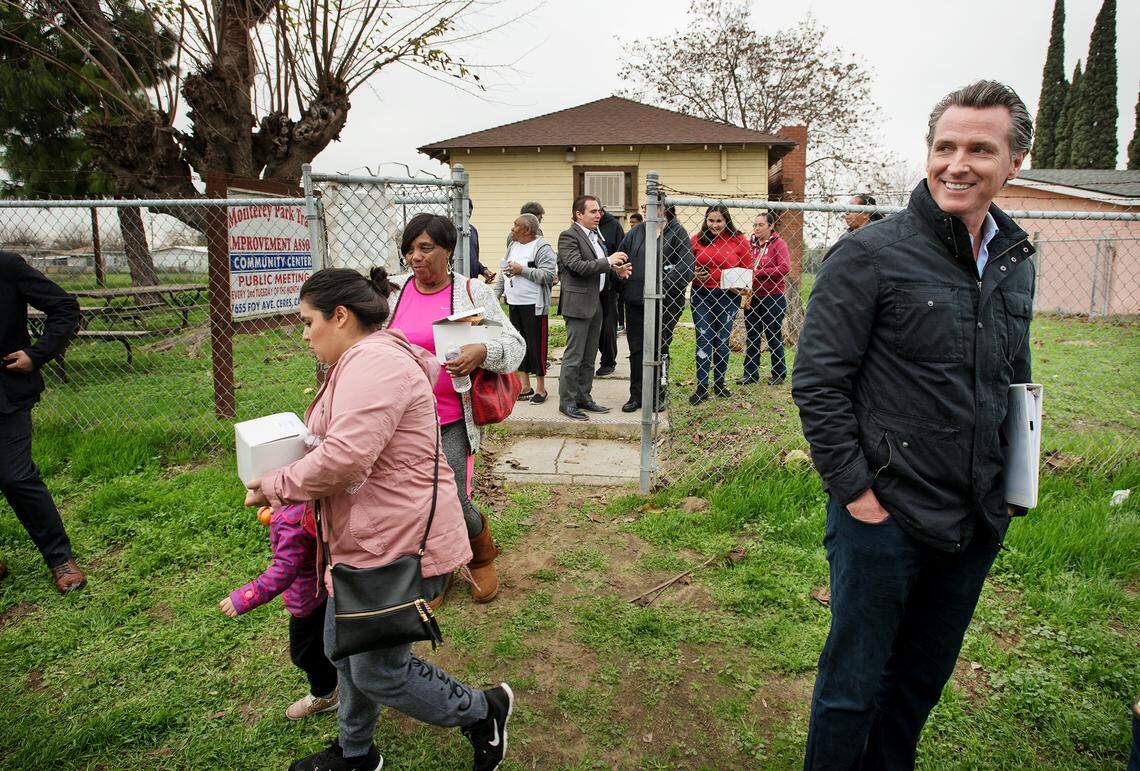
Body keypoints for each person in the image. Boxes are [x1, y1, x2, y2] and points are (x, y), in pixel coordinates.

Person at [792, 80, 1037, 770]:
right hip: (885, 519)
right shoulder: (871, 255)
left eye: (980, 149)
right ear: (928, 154)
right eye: (945, 146)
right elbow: (817, 382)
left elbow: (1013, 376)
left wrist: (1015, 477)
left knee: (919, 684)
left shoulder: (1015, 262)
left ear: (1013, 161)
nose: (958, 163)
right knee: (853, 687)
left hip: (975, 518)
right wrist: (858, 494)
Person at [246, 267, 514, 771]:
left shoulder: (375, 365)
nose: (304, 334)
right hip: (369, 535)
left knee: (376, 670)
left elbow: (347, 458)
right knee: (342, 648)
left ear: (341, 316)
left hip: (396, 540)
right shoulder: (363, 360)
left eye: (307, 322)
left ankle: (484, 712)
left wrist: (276, 485)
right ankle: (356, 753)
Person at [386, 213, 524, 605]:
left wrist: (483, 350)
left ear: (448, 250)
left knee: (451, 500)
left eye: (425, 248)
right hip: (400, 421)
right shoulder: (393, 293)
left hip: (450, 418)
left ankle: (481, 551)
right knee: (412, 500)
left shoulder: (472, 293)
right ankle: (436, 570)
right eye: (410, 250)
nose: (416, 257)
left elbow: (515, 347)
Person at [1, 252, 85, 593]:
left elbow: (65, 308)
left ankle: (59, 558)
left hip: (5, 395)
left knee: (15, 475)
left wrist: (36, 355)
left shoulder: (6, 267)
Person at [219, 503, 339, 721]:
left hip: (308, 600)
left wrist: (245, 597)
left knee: (305, 655)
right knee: (327, 638)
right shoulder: (304, 501)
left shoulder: (291, 523)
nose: (246, 499)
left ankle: (327, 693)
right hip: (327, 588)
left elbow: (283, 570)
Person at [556, 195, 631, 421]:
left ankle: (583, 397)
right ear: (579, 214)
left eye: (599, 211)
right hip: (578, 304)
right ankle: (567, 402)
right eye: (593, 211)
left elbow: (596, 267)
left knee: (589, 357)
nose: (599, 215)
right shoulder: (569, 236)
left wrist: (615, 271)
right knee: (574, 356)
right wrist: (608, 261)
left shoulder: (595, 236)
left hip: (596, 302)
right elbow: (577, 266)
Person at [615, 205, 693, 412]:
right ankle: (637, 395)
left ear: (665, 208)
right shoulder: (636, 231)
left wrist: (659, 289)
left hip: (665, 303)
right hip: (635, 301)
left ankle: (658, 394)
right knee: (637, 348)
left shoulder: (677, 232)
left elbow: (685, 267)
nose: (648, 209)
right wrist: (620, 272)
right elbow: (621, 258)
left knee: (660, 347)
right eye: (645, 206)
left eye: (653, 206)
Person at [689, 205, 749, 405]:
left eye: (719, 221)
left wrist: (739, 286)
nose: (715, 225)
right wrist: (694, 273)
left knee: (722, 340)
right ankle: (702, 387)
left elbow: (748, 269)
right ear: (706, 220)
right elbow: (687, 266)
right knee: (704, 338)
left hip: (728, 296)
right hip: (701, 294)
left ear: (727, 221)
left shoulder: (738, 240)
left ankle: (720, 384)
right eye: (711, 220)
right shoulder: (697, 239)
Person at [494, 213, 556, 404]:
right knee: (520, 345)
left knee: (536, 346)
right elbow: (503, 273)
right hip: (514, 303)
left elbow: (548, 275)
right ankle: (525, 386)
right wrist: (495, 295)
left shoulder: (541, 247)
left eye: (516, 225)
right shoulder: (512, 245)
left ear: (528, 230)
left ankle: (541, 388)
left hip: (534, 305)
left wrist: (523, 271)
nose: (512, 228)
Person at [739, 212, 790, 386]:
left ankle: (779, 373)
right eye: (755, 225)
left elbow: (784, 268)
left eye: (761, 225)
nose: (757, 228)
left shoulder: (778, 244)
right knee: (752, 335)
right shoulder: (750, 244)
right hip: (753, 297)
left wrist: (759, 273)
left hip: (773, 296)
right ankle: (750, 373)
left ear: (770, 226)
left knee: (772, 335)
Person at [596, 206, 626, 376]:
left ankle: (608, 360)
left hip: (609, 284)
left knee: (607, 325)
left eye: (597, 210)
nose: (596, 214)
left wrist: (617, 276)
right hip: (591, 283)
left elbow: (622, 252)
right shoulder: (586, 228)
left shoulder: (613, 226)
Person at [466, 200, 494, 283]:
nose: (468, 215)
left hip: (471, 282)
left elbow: (472, 258)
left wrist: (483, 270)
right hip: (454, 281)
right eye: (465, 212)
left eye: (469, 213)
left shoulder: (472, 230)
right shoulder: (448, 230)